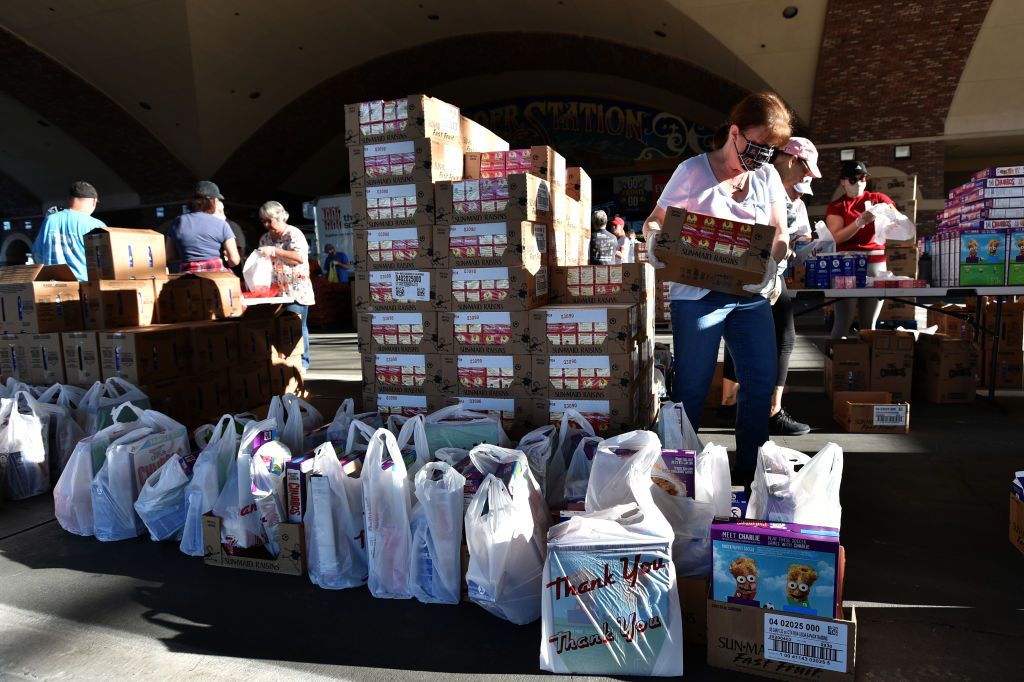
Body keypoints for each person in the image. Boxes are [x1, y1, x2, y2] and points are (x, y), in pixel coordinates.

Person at [643, 91, 792, 484]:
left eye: (770, 149)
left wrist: (774, 265)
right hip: (697, 297)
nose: (762, 156)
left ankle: (750, 471)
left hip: (749, 294)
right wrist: (656, 239)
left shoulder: (767, 176)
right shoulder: (693, 171)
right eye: (757, 145)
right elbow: (655, 220)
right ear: (734, 133)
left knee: (759, 381)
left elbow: (780, 233)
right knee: (692, 385)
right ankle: (680, 477)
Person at [721, 136, 822, 436]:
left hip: (754, 271)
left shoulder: (753, 177)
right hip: (759, 273)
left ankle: (731, 403)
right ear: (792, 159)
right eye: (806, 170)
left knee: (740, 334)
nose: (806, 177)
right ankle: (770, 410)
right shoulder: (762, 178)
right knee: (782, 337)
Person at [826, 160, 896, 339]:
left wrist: (888, 217)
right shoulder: (838, 206)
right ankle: (834, 362)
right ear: (842, 181)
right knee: (843, 320)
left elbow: (896, 221)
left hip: (875, 263)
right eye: (853, 179)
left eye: (863, 178)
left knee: (869, 323)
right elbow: (835, 237)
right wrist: (859, 222)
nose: (859, 183)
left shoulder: (878, 199)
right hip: (847, 264)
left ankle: (868, 363)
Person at [258, 200, 315, 371]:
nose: (266, 225)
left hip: (295, 290)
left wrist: (274, 251)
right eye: (263, 221)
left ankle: (303, 362)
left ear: (280, 217)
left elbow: (299, 258)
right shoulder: (265, 238)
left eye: (269, 220)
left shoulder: (294, 234)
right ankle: (284, 361)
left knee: (296, 326)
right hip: (274, 292)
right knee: (278, 328)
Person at [31, 181, 106, 281]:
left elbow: (38, 254)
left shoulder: (50, 220)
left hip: (54, 287)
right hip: (86, 287)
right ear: (94, 201)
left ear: (69, 199)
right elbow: (105, 260)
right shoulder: (96, 225)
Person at [166, 181, 241, 273]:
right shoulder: (221, 224)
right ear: (214, 201)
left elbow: (169, 255)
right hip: (215, 280)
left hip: (187, 280)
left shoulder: (177, 222)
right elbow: (234, 260)